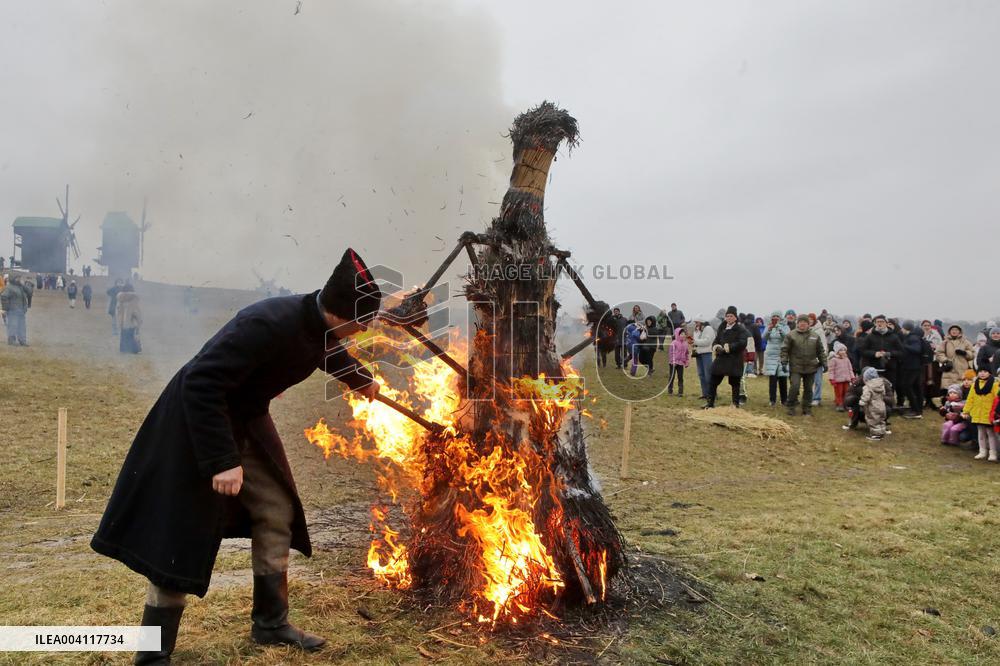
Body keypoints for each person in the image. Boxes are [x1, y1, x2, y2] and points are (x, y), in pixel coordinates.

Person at [91, 248, 383, 663]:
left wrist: (360, 379)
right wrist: (221, 461)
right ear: (341, 315)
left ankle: (270, 622)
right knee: (180, 535)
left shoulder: (317, 324)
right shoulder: (268, 323)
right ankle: (152, 655)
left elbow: (326, 350)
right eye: (362, 324)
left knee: (276, 508)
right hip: (197, 422)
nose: (364, 331)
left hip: (246, 418)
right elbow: (201, 383)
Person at [781, 314, 826, 416]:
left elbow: (821, 351)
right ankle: (791, 406)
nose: (802, 324)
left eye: (805, 322)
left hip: (811, 367)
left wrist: (824, 363)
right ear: (798, 323)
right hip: (796, 366)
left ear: (808, 324)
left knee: (808, 389)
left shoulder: (815, 336)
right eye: (800, 322)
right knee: (795, 386)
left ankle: (807, 408)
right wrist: (784, 361)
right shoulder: (791, 335)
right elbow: (784, 349)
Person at [704, 306, 748, 409]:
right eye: (727, 316)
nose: (728, 318)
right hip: (721, 359)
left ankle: (735, 404)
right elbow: (716, 340)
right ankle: (710, 403)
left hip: (734, 359)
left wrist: (729, 348)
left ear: (735, 317)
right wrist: (717, 347)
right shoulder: (722, 327)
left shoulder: (740, 329)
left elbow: (742, 343)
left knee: (735, 383)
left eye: (731, 316)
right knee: (713, 380)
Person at [962, 368, 1000, 461]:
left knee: (991, 433)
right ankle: (982, 451)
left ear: (989, 373)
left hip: (989, 413)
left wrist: (996, 413)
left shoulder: (994, 385)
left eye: (985, 372)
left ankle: (993, 453)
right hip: (977, 413)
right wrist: (966, 411)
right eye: (980, 372)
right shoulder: (975, 385)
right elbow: (970, 399)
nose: (982, 374)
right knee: (981, 433)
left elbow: (997, 398)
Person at [897, 320, 928, 418]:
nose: (901, 330)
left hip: (912, 367)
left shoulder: (913, 338)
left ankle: (915, 410)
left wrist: (903, 346)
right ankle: (917, 409)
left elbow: (916, 349)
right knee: (916, 387)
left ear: (906, 328)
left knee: (907, 386)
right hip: (913, 366)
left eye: (903, 328)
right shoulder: (912, 337)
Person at [762, 311, 789, 406]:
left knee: (783, 378)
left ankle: (784, 400)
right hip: (771, 355)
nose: (775, 318)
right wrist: (769, 329)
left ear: (780, 317)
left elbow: (786, 337)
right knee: (772, 379)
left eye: (777, 316)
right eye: (774, 316)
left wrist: (779, 327)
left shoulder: (785, 326)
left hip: (782, 355)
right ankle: (772, 400)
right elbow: (764, 338)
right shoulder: (768, 326)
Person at [860, 367, 890, 441]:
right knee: (881, 419)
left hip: (872, 407)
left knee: (873, 421)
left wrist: (862, 402)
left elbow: (866, 397)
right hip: (881, 405)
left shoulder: (867, 387)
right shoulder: (881, 384)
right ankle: (882, 431)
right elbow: (884, 393)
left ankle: (876, 435)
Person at [1, 275, 29, 346]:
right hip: (12, 310)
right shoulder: (9, 287)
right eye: (17, 278)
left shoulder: (20, 287)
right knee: (13, 325)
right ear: (13, 279)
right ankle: (11, 340)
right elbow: (4, 296)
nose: (19, 279)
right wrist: (6, 308)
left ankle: (22, 341)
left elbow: (27, 294)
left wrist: (25, 307)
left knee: (22, 326)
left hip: (21, 311)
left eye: (19, 278)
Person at [692, 315, 715, 400]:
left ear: (701, 322)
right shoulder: (697, 330)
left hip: (706, 353)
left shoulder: (708, 329)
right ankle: (705, 393)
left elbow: (707, 341)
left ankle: (711, 394)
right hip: (699, 353)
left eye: (696, 322)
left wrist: (695, 341)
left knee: (708, 375)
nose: (695, 324)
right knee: (701, 374)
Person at [828, 342, 855, 411]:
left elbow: (850, 369)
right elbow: (831, 370)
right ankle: (839, 404)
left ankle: (846, 404)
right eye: (841, 350)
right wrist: (832, 379)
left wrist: (852, 377)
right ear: (837, 352)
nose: (843, 352)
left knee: (846, 392)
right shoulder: (834, 360)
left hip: (846, 379)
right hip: (838, 380)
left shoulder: (847, 359)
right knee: (839, 393)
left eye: (844, 350)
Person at [808, 313, 828, 406]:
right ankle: (809, 396)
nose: (810, 321)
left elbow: (823, 345)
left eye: (811, 319)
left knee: (817, 380)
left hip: (817, 359)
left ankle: (817, 398)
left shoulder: (819, 331)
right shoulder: (805, 330)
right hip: (807, 359)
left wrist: (821, 358)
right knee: (809, 380)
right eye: (808, 319)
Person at [116, 284, 142, 354]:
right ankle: (133, 349)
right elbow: (136, 312)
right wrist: (139, 321)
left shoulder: (120, 299)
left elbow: (118, 311)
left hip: (122, 323)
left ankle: (124, 349)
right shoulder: (134, 299)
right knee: (131, 336)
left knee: (124, 337)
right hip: (131, 323)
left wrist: (119, 321)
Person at [667, 326, 689, 396]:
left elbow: (686, 354)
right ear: (677, 334)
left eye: (684, 334)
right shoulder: (674, 343)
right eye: (681, 334)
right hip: (673, 363)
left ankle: (680, 392)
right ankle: (670, 391)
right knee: (672, 377)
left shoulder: (685, 344)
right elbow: (671, 353)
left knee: (680, 377)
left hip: (681, 363)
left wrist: (686, 362)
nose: (683, 335)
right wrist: (673, 361)